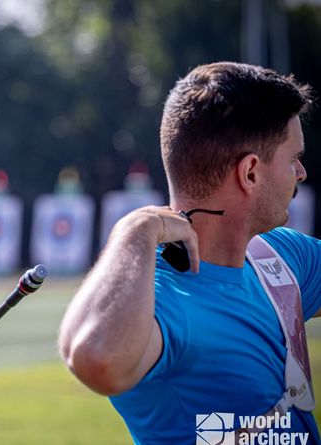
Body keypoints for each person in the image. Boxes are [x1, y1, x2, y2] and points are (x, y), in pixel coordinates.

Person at [59, 62, 319, 444]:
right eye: (293, 158)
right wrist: (134, 230)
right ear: (250, 173)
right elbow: (95, 358)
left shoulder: (282, 256)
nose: (301, 173)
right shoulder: (160, 299)